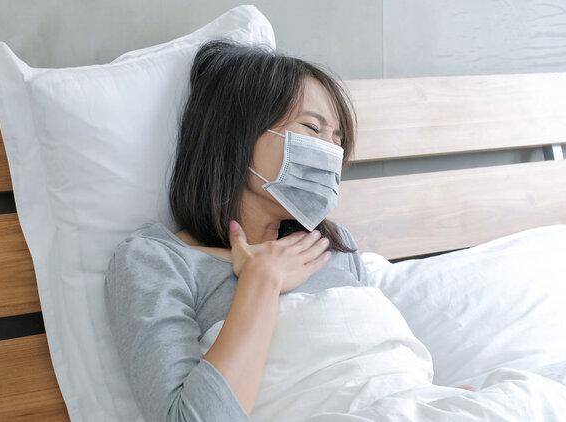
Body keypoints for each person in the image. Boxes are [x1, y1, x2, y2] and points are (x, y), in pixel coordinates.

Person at [104, 38, 472, 422]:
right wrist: (261, 281)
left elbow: (376, 368)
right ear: (238, 134)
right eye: (312, 128)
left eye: (338, 140)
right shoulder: (156, 260)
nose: (331, 153)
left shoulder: (333, 245)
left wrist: (441, 399)